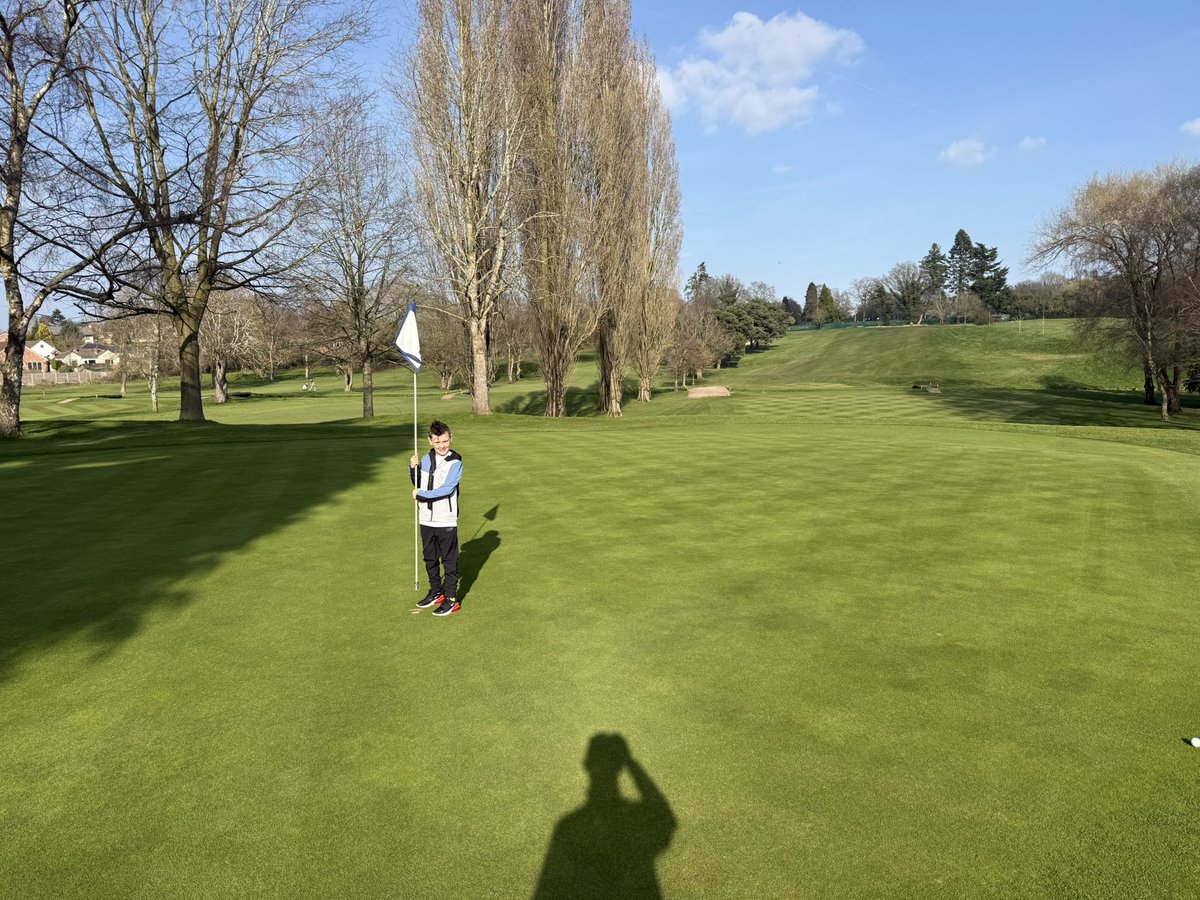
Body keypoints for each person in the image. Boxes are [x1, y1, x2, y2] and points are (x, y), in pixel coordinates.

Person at [409, 420, 463, 616]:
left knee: (449, 560)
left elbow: (446, 489)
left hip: (445, 519)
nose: (442, 445)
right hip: (425, 517)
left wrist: (422, 496)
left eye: (445, 441)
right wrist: (412, 468)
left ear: (451, 439)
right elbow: (418, 484)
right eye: (438, 441)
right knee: (430, 557)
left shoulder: (455, 462)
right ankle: (436, 592)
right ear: (430, 440)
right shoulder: (425, 459)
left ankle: (451, 599)